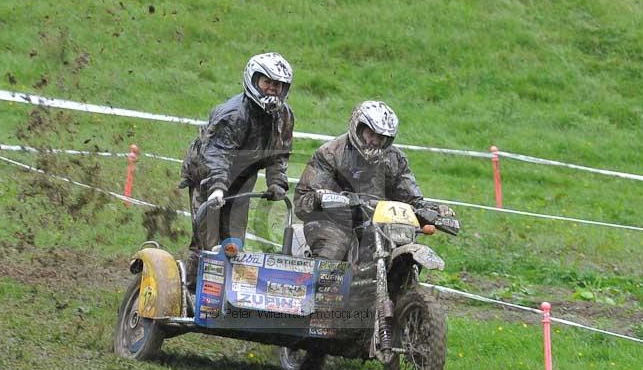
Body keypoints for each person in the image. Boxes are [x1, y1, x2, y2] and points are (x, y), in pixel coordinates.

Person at [180, 52, 294, 289]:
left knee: (233, 242)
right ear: (254, 81)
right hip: (206, 176)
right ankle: (190, 290)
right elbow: (216, 154)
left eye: (278, 85)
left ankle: (228, 296)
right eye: (267, 83)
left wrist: (277, 182)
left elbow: (279, 154)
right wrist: (218, 187)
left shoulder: (284, 117)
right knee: (207, 242)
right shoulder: (234, 114)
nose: (272, 90)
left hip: (243, 178)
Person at [294, 100, 459, 260]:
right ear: (358, 129)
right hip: (333, 222)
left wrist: (434, 212)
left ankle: (406, 286)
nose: (375, 141)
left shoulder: (395, 159)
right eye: (371, 134)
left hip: (378, 226)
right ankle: (322, 287)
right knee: (335, 246)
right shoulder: (330, 153)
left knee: (405, 254)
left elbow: (411, 199)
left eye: (381, 138)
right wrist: (321, 197)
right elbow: (302, 201)